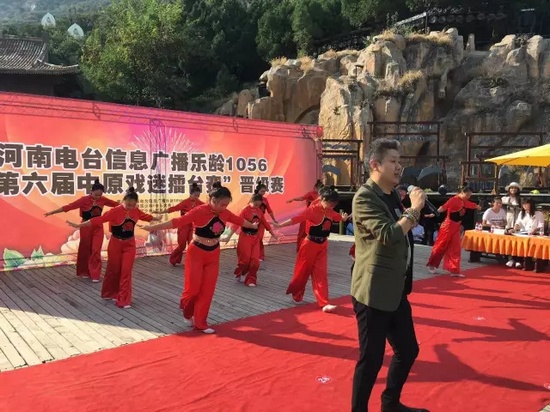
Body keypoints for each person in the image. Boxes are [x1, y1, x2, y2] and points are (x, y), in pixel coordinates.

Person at [351, 138, 428, 412]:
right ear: (375, 164)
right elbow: (388, 234)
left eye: (400, 161)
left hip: (395, 289)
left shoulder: (393, 194)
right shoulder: (365, 198)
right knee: (371, 360)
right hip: (373, 291)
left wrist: (410, 210)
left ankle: (390, 403)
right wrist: (414, 210)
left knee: (408, 350)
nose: (399, 167)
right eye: (393, 161)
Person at [141, 182, 258, 334]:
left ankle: (201, 322)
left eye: (226, 205)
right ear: (213, 200)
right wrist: (152, 227)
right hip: (196, 252)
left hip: (213, 254)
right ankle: (188, 312)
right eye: (222, 204)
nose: (224, 207)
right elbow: (177, 222)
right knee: (193, 289)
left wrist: (253, 226)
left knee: (208, 290)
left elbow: (240, 221)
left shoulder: (225, 213)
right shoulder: (199, 211)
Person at [66, 187, 159, 308]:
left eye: (133, 205)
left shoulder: (136, 211)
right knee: (113, 270)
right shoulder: (115, 211)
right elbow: (98, 219)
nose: (130, 207)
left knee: (126, 271)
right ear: (123, 201)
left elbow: (147, 217)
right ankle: (109, 292)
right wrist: (80, 225)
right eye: (128, 205)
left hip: (130, 244)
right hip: (115, 243)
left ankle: (124, 300)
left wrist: (157, 218)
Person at [274, 186, 348, 313]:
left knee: (321, 274)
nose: (332, 206)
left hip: (323, 245)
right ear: (323, 199)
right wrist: (280, 225)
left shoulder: (330, 211)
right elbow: (297, 218)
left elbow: (337, 217)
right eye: (331, 203)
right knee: (303, 271)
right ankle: (297, 294)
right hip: (309, 245)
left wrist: (343, 218)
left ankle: (324, 302)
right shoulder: (312, 210)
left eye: (334, 204)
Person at [45, 179, 119, 282]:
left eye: (100, 195)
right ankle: (84, 271)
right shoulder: (84, 200)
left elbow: (116, 204)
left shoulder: (103, 200)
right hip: (85, 227)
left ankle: (95, 274)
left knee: (96, 250)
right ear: (91, 191)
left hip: (98, 226)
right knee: (85, 249)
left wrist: (128, 204)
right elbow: (68, 207)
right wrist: (52, 212)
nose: (98, 197)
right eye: (96, 195)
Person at [221, 194, 279, 287]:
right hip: (245, 237)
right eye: (255, 204)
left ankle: (251, 279)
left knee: (255, 260)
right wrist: (228, 237)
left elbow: (265, 223)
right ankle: (241, 273)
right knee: (245, 260)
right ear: (251, 201)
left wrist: (273, 234)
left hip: (255, 238)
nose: (257, 207)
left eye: (258, 205)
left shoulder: (259, 211)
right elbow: (237, 223)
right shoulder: (245, 210)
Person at [427, 186, 481, 277]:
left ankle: (454, 270)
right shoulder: (453, 200)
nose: (468, 197)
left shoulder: (464, 201)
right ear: (462, 192)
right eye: (467, 195)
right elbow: (444, 207)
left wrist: (477, 206)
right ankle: (432, 265)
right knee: (440, 246)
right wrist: (434, 213)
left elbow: (470, 204)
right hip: (447, 226)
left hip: (456, 226)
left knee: (456, 248)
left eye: (470, 195)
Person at [156, 183, 203, 266]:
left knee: (192, 245)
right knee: (182, 245)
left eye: (198, 196)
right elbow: (174, 208)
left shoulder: (199, 202)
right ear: (191, 194)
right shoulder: (185, 202)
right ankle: (174, 259)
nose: (196, 197)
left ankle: (191, 262)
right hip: (183, 226)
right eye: (195, 195)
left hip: (192, 226)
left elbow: (208, 207)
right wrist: (162, 212)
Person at [286, 179, 324, 252]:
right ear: (315, 187)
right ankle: (299, 249)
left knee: (314, 233)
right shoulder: (310, 194)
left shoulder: (322, 197)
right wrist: (294, 199)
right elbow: (302, 198)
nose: (319, 190)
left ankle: (312, 249)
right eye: (318, 188)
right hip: (307, 216)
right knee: (302, 232)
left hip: (316, 218)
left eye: (321, 189)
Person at [513, 198, 546, 271]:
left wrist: (534, 231)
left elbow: (541, 225)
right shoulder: (521, 213)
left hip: (535, 234)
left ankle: (536, 265)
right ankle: (519, 261)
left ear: (531, 204)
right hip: (523, 233)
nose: (524, 205)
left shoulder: (538, 213)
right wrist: (514, 228)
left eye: (526, 204)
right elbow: (518, 223)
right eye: (523, 204)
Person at [254, 181, 278, 261]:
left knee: (259, 238)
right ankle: (254, 254)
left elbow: (269, 210)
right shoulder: (253, 198)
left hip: (262, 221)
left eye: (264, 191)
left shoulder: (265, 200)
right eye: (262, 191)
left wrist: (274, 219)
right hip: (253, 221)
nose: (263, 193)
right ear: (258, 190)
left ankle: (261, 255)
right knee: (254, 238)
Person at [502, 182, 523, 268]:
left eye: (515, 188)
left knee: (518, 241)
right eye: (511, 188)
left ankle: (518, 260)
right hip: (508, 220)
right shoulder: (504, 199)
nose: (513, 190)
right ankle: (509, 258)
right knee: (508, 240)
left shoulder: (520, 199)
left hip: (518, 221)